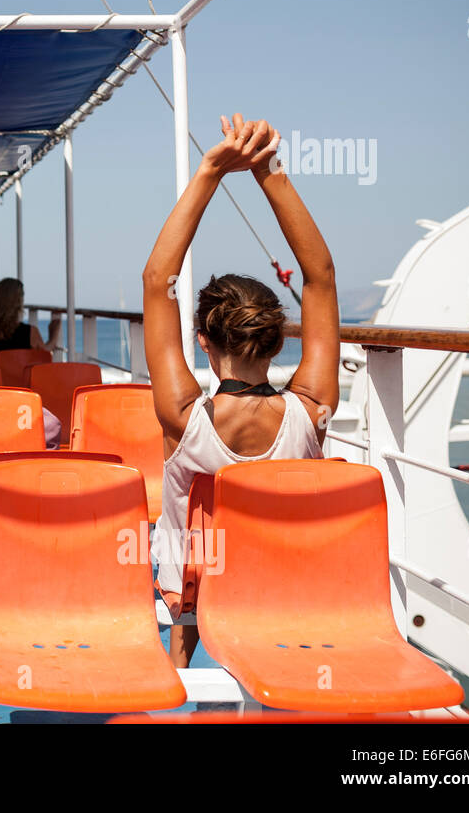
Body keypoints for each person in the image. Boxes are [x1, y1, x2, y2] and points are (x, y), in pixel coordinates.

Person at [143, 114, 338, 668]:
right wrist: (267, 171)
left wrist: (210, 170)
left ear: (203, 341)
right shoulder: (313, 408)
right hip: (285, 581)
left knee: (189, 546)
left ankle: (181, 653)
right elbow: (319, 275)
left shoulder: (183, 417)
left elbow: (158, 282)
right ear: (276, 342)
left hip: (193, 584)